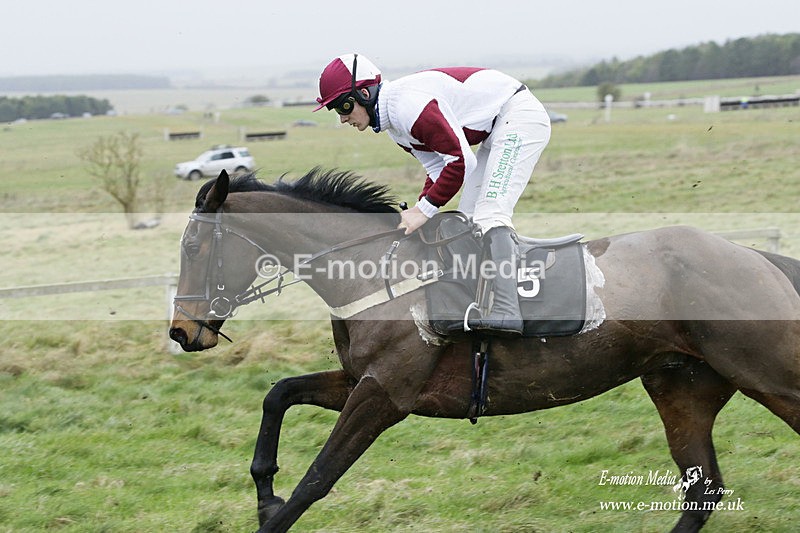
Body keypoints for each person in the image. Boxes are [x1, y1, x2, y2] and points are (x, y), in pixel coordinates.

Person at [315, 53, 551, 336]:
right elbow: (439, 170)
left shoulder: (408, 108)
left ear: (364, 93)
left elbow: (461, 162)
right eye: (335, 111)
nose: (342, 118)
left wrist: (423, 211)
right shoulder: (394, 126)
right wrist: (418, 210)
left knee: (490, 213)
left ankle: (507, 312)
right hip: (496, 129)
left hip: (518, 116)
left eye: (344, 106)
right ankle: (481, 301)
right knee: (467, 221)